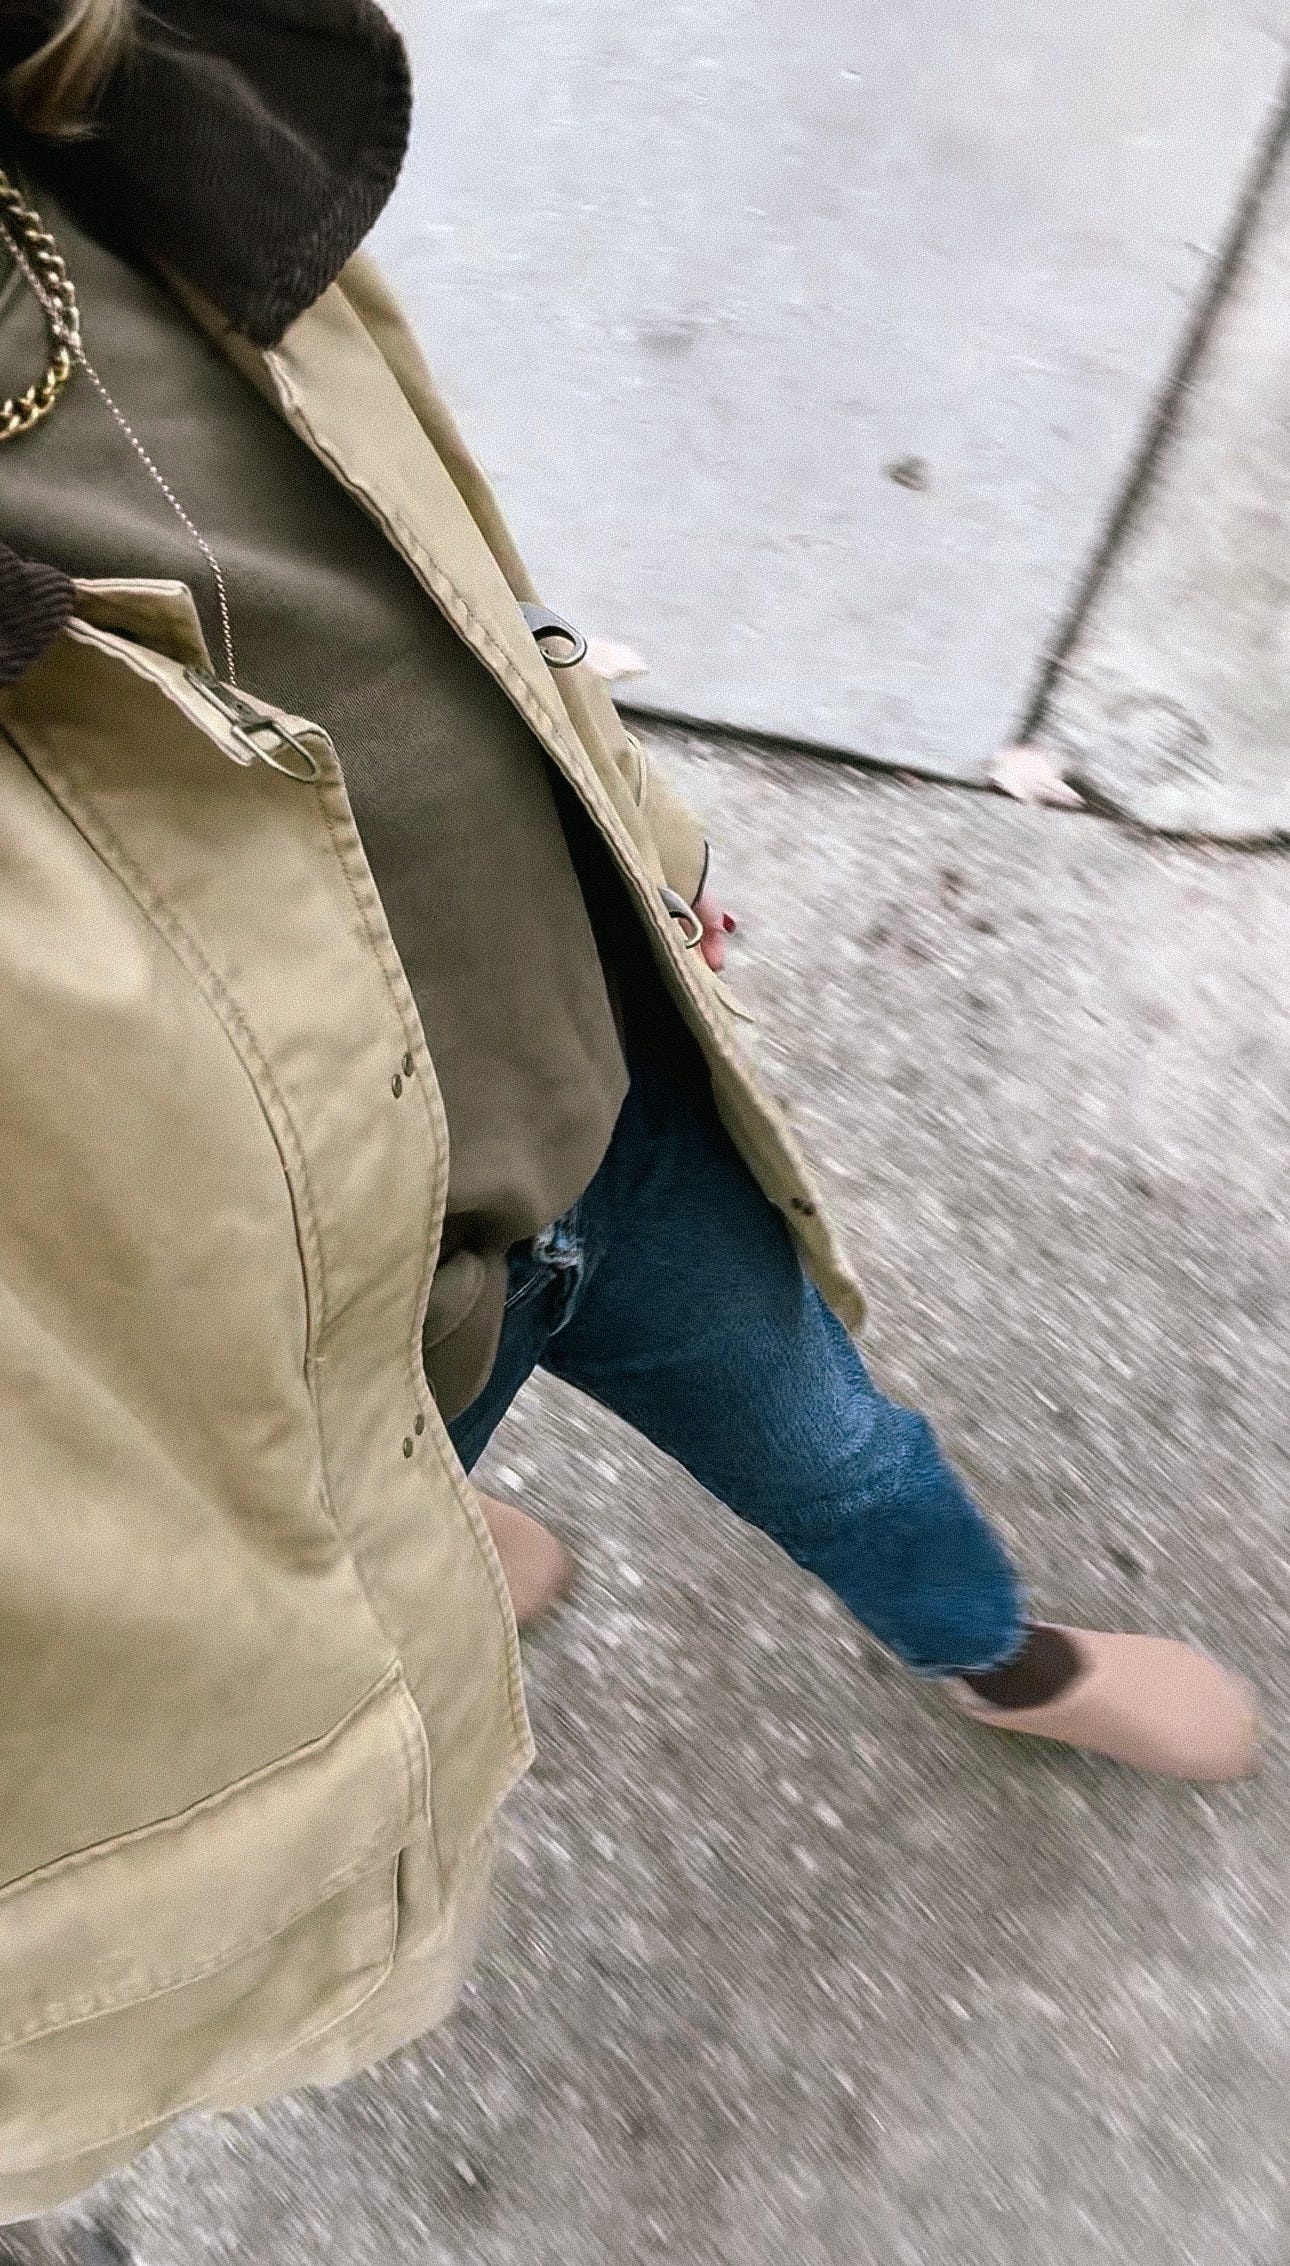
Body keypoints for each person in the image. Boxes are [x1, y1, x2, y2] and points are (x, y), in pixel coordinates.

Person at [0, 0, 1257, 2221]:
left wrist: (627, 811)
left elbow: (433, 592)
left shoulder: (124, 127)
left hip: (594, 1096)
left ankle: (995, 1653)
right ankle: (430, 1550)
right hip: (305, 1319)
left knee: (839, 1441)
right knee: (398, 1493)